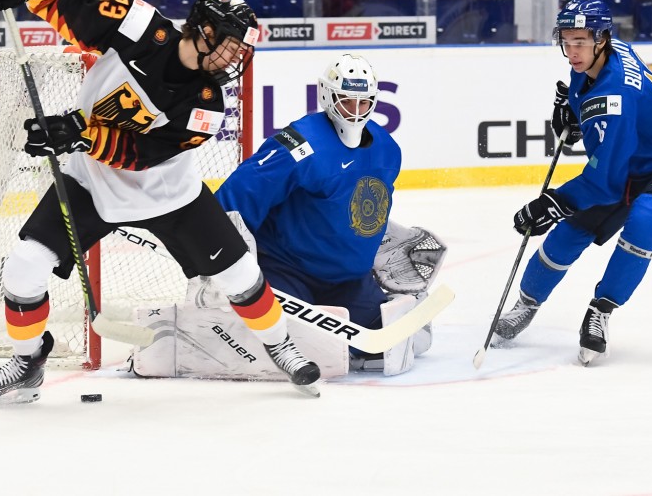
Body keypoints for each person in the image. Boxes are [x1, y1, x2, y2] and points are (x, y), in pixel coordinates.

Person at [0, 0, 320, 405]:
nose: (237, 58)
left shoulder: (207, 105)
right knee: (23, 268)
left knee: (240, 274)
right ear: (205, 31)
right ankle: (27, 362)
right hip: (92, 183)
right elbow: (74, 2)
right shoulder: (137, 26)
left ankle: (279, 344)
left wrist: (74, 133)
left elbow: (140, 155)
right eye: (232, 45)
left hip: (169, 195)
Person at [126, 54, 447, 379]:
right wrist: (217, 260)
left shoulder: (388, 149)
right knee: (296, 347)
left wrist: (383, 242)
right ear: (326, 95)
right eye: (346, 100)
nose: (354, 110)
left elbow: (360, 203)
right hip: (287, 272)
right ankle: (190, 338)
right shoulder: (301, 144)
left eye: (363, 103)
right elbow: (239, 195)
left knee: (396, 342)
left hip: (348, 280)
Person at [493, 0, 652, 365]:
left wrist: (554, 201)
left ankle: (602, 309)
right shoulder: (609, 53)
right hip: (634, 158)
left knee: (645, 217)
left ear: (602, 38)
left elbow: (604, 180)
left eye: (581, 41)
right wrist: (575, 113)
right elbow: (597, 116)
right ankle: (527, 302)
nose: (572, 51)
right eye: (566, 41)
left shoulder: (615, 95)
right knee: (569, 233)